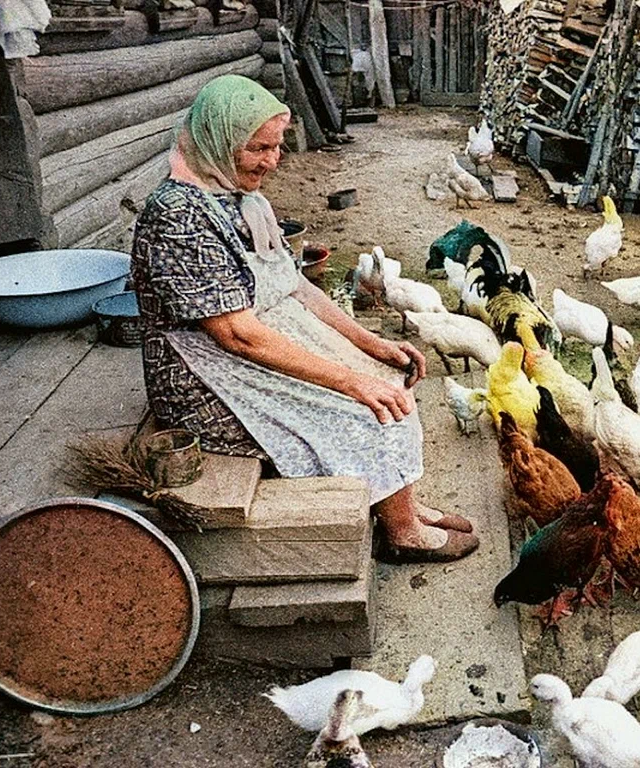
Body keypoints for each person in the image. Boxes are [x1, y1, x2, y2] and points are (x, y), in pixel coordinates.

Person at [131, 75, 478, 563]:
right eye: (258, 148)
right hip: (204, 375)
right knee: (366, 408)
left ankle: (402, 501)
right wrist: (350, 381)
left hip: (258, 334)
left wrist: (369, 345)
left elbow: (295, 286)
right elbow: (234, 333)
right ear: (218, 139)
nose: (271, 161)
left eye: (276, 147)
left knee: (387, 376)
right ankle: (402, 532)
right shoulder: (178, 217)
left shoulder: (238, 197)